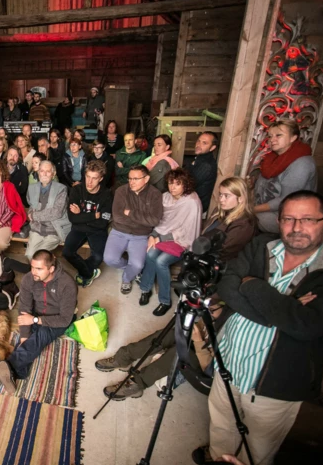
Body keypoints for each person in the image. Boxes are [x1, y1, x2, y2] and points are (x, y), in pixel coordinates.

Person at [193, 191, 323, 465]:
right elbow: (226, 285)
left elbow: (307, 326)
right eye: (289, 219)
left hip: (275, 386)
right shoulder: (261, 245)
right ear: (279, 221)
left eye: (308, 219)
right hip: (228, 367)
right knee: (221, 432)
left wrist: (252, 285)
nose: (297, 227)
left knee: (256, 458)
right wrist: (282, 310)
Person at [97, 177, 256, 400]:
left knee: (187, 342)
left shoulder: (243, 223)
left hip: (220, 288)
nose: (221, 199)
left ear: (240, 197)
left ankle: (139, 380)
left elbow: (219, 252)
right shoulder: (223, 216)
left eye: (227, 195)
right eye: (220, 194)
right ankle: (126, 356)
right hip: (203, 280)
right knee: (176, 331)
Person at [0, 250, 77, 394]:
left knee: (41, 334)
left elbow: (65, 319)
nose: (34, 272)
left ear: (51, 269)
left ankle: (9, 366)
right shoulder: (29, 279)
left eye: (39, 269)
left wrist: (34, 320)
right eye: (33, 267)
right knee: (30, 338)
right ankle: (17, 372)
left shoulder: (67, 284)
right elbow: (25, 308)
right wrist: (24, 336)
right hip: (36, 314)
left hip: (59, 319)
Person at [138, 169, 202, 316]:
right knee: (150, 253)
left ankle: (165, 301)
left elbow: (186, 231)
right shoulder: (164, 197)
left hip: (182, 241)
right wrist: (153, 234)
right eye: (170, 183)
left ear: (185, 185)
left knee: (161, 261)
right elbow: (159, 221)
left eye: (177, 184)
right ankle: (145, 289)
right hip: (162, 235)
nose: (172, 187)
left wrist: (160, 238)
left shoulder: (192, 202)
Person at [104, 165, 164, 293]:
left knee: (137, 265)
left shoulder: (155, 194)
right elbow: (118, 217)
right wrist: (143, 220)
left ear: (146, 179)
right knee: (109, 259)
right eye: (130, 178)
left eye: (136, 179)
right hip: (119, 231)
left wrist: (130, 213)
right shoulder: (121, 191)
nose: (131, 182)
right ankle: (129, 268)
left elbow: (154, 220)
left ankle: (127, 278)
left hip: (140, 235)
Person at [253, 120, 317, 234]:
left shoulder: (302, 164)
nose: (272, 140)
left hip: (286, 217)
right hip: (264, 209)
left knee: (242, 219)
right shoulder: (272, 158)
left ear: (293, 138)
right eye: (270, 136)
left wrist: (251, 210)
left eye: (278, 135)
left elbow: (286, 200)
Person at [63, 160, 113, 287]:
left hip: (97, 230)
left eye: (94, 178)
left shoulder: (107, 194)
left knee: (98, 257)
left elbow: (102, 223)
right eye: (87, 177)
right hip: (78, 228)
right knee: (67, 253)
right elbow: (72, 218)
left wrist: (80, 214)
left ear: (101, 179)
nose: (89, 182)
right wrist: (93, 215)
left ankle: (85, 272)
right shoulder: (77, 190)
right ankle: (89, 273)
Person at [25, 160, 71, 258]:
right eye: (42, 171)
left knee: (39, 256)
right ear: (38, 172)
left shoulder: (61, 189)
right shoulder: (32, 188)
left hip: (54, 230)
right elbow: (31, 207)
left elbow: (56, 212)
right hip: (37, 229)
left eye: (48, 171)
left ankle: (51, 269)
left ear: (53, 174)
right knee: (29, 255)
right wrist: (31, 213)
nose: (44, 174)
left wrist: (34, 215)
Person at [184, 132, 219, 214]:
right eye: (198, 141)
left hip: (194, 207)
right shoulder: (199, 159)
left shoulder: (206, 165)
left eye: (204, 143)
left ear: (212, 147)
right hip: (190, 203)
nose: (199, 145)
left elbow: (188, 184)